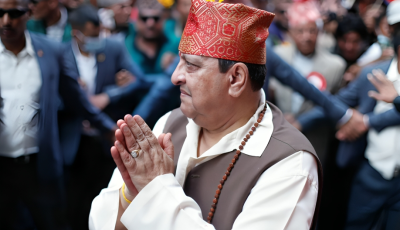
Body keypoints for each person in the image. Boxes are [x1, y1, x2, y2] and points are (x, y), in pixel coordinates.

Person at [89, 1, 322, 229]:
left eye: (191, 65)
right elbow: (99, 221)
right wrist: (131, 194)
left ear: (235, 79)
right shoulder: (170, 123)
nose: (175, 77)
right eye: (179, 62)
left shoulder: (289, 162)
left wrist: (155, 189)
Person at [0, 0, 116, 229]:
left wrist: (108, 128)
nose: (6, 21)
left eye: (14, 13)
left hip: (39, 164)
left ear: (29, 12)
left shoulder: (50, 52)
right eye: (1, 13)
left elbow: (76, 97)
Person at [271, 0, 346, 163]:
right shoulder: (278, 56)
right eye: (300, 31)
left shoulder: (335, 65)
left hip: (315, 138)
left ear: (319, 32)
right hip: (279, 134)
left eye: (312, 31)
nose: (306, 37)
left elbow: (335, 102)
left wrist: (304, 121)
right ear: (291, 32)